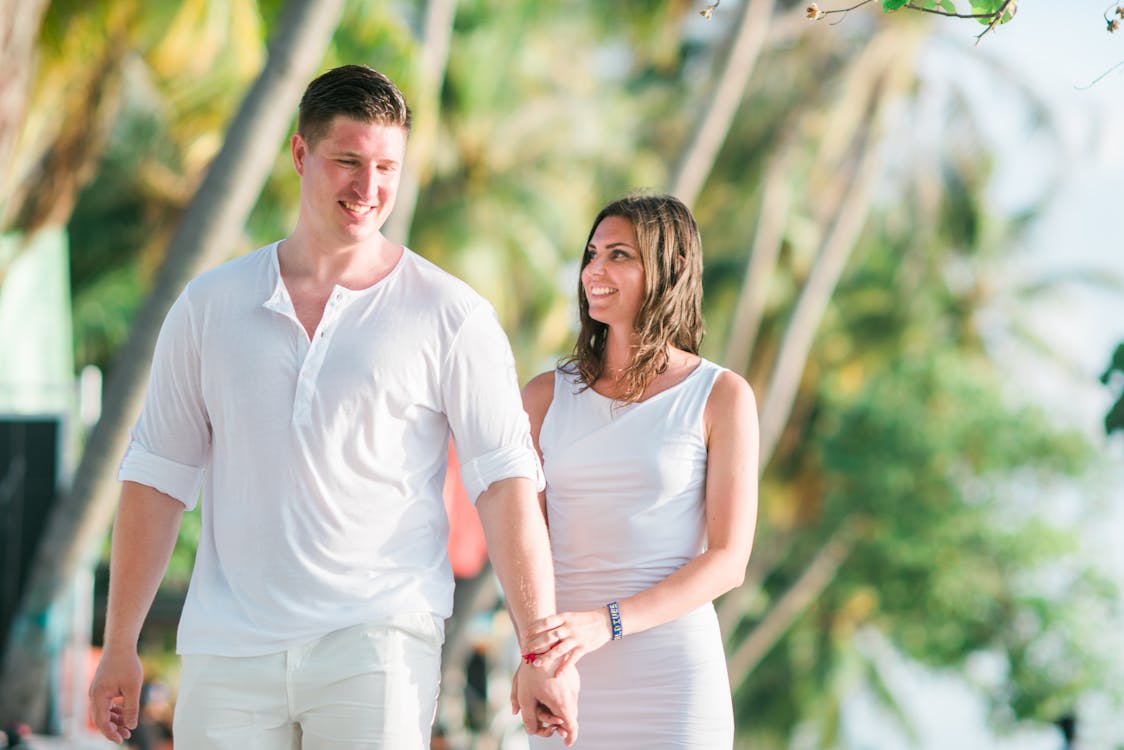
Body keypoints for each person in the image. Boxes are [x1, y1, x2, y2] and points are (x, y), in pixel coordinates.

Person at [88, 64, 577, 748]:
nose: (368, 188)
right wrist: (118, 644)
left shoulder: (451, 315)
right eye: (348, 161)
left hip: (377, 644)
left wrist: (536, 652)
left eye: (386, 167)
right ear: (299, 153)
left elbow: (504, 484)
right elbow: (157, 476)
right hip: (227, 650)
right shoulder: (210, 305)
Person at [515, 193, 759, 748]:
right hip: (567, 676)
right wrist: (535, 655)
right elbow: (524, 543)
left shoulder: (721, 396)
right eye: (592, 254)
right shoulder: (545, 397)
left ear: (670, 269)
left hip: (672, 681)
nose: (594, 271)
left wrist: (606, 623)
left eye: (619, 255)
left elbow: (728, 561)